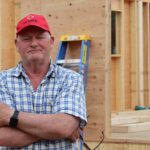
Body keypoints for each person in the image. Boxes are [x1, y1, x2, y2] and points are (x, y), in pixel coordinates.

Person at [0, 14, 87, 150]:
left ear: (51, 41)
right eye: (26, 38)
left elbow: (64, 126)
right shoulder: (1, 81)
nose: (34, 43)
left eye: (40, 37)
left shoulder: (71, 79)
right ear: (16, 44)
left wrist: (11, 115)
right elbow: (2, 136)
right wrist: (55, 130)